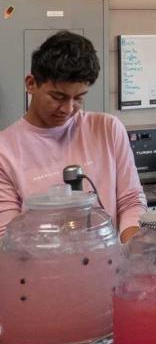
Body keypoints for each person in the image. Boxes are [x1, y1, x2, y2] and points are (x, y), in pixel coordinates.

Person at [0, 31, 145, 241]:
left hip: (109, 267)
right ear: (31, 84)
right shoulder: (5, 150)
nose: (68, 109)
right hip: (42, 270)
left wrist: (132, 250)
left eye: (79, 98)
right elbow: (7, 236)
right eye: (58, 97)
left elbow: (130, 201)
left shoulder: (107, 129)